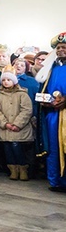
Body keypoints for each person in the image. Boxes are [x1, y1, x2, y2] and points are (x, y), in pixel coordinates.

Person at [35, 33, 66, 192]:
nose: (61, 50)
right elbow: (43, 90)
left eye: (64, 47)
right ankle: (57, 181)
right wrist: (46, 102)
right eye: (58, 48)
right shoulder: (50, 69)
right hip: (53, 114)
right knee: (54, 147)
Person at [0, 66, 34, 181]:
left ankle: (22, 169)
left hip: (19, 129)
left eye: (9, 80)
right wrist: (5, 123)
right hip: (5, 128)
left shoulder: (22, 94)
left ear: (14, 81)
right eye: (4, 80)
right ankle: (13, 169)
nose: (6, 82)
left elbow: (26, 110)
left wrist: (17, 124)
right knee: (8, 148)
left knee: (17, 147)